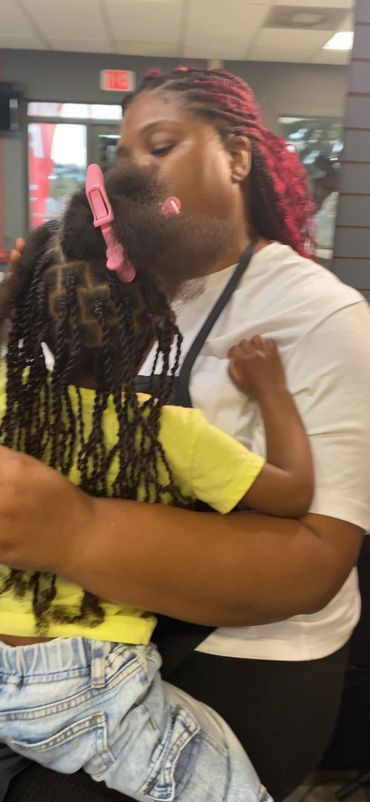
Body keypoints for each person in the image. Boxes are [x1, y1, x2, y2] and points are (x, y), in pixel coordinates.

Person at [0, 66, 369, 802]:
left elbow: (313, 563)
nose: (135, 169)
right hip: (78, 631)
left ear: (237, 156)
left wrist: (70, 532)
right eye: (123, 154)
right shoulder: (107, 288)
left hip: (243, 648)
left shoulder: (323, 317)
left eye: (159, 145)